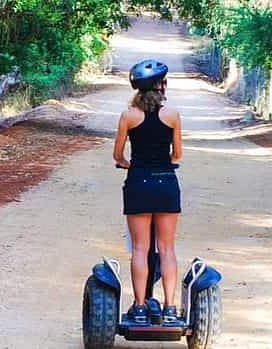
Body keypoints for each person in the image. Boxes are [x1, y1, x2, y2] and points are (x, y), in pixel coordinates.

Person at [113, 59, 182, 323]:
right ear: (160, 84)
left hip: (138, 183)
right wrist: (168, 159)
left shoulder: (128, 115)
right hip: (166, 182)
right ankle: (169, 307)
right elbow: (177, 153)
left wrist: (126, 163)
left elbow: (118, 154)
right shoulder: (172, 114)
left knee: (140, 248)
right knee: (166, 248)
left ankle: (140, 306)